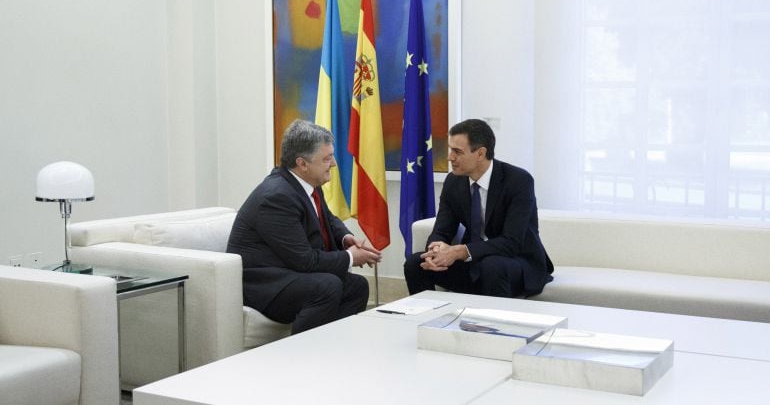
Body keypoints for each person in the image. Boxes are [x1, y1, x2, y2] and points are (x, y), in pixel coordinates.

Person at [227, 119, 381, 334]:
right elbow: (304, 260)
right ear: (302, 164)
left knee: (357, 286)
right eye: (327, 159)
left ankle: (335, 347)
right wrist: (351, 257)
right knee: (327, 286)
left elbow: (328, 218)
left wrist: (345, 238)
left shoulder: (306, 183)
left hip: (288, 273)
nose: (334, 164)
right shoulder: (276, 197)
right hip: (265, 284)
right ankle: (301, 357)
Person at [404, 118, 553, 298]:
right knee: (415, 263)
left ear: (481, 153)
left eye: (457, 152)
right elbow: (442, 230)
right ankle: (426, 319)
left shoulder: (518, 180)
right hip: (474, 261)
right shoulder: (453, 181)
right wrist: (435, 249)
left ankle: (493, 325)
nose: (450, 157)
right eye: (451, 149)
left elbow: (512, 242)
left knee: (492, 266)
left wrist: (459, 251)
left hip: (516, 261)